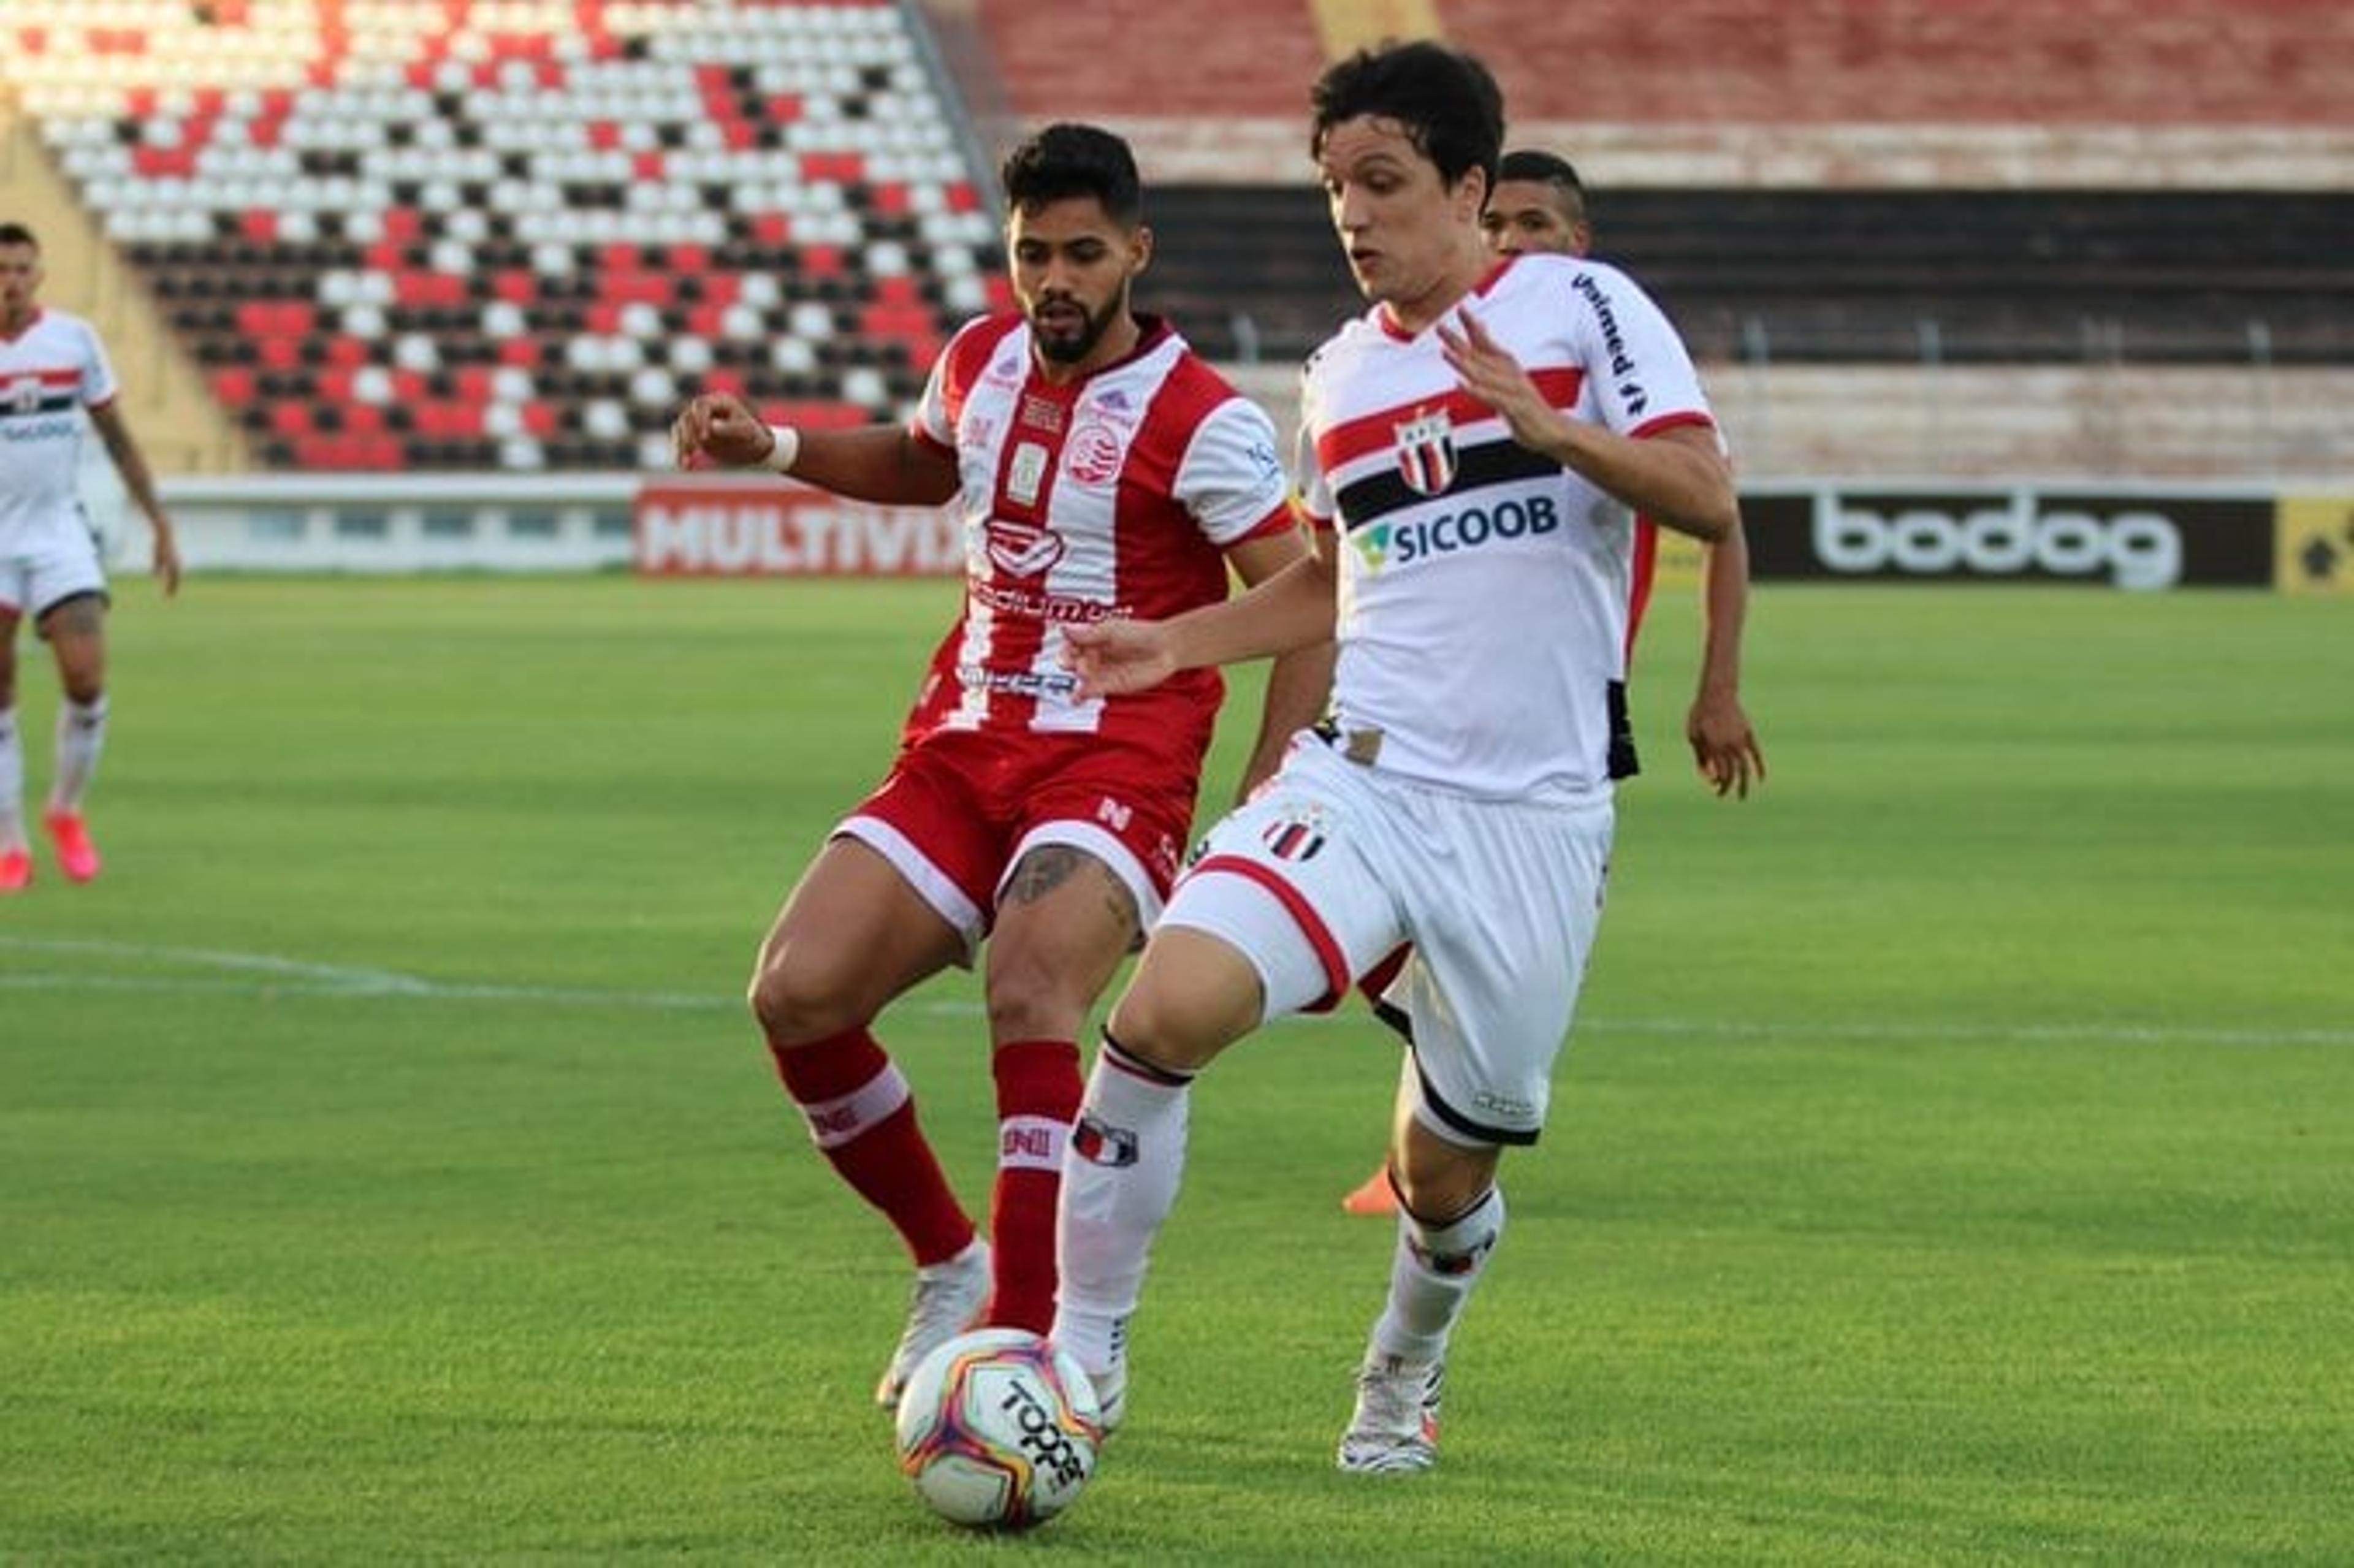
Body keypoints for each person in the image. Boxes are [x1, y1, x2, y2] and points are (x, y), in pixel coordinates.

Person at [1048, 42, 1741, 1472]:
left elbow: (1705, 492)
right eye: (1331, 189)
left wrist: (1550, 427)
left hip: (1530, 819)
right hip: (1360, 775)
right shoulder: (1344, 372)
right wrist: (1178, 642)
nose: (1352, 215)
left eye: (1381, 182)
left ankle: (1399, 1370)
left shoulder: (1582, 307)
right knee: (1159, 1015)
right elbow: (1326, 579)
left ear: (1469, 188)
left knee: (1441, 1172)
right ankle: (1079, 1348)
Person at [669, 124, 1327, 1412]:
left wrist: (1272, 780)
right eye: (1035, 254)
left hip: (1118, 762)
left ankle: (1026, 1345)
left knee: (1032, 986)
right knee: (797, 994)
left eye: (1084, 253)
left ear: (1136, 251)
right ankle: (953, 1266)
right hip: (964, 745)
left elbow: (1308, 594)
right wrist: (781, 449)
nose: (1057, 280)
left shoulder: (1205, 419)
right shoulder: (978, 361)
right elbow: (930, 463)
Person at [1335, 147, 1767, 1217]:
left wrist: (1718, 686)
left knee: (1501, 946)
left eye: (1536, 225)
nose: (1512, 243)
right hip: (1432, 723)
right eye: (1503, 223)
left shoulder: (1595, 353)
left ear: (1575, 243)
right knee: (1386, 931)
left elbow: (1719, 516)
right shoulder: (1429, 361)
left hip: (1572, 717)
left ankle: (1454, 1122)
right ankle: (1438, 1112)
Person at [0, 221, 182, 894]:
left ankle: (65, 811)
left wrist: (160, 522)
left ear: (39, 274)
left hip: (56, 532)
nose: (11, 281)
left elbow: (118, 437)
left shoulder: (72, 341)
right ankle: (10, 840)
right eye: (1, 270)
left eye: (22, 268)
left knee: (85, 678)